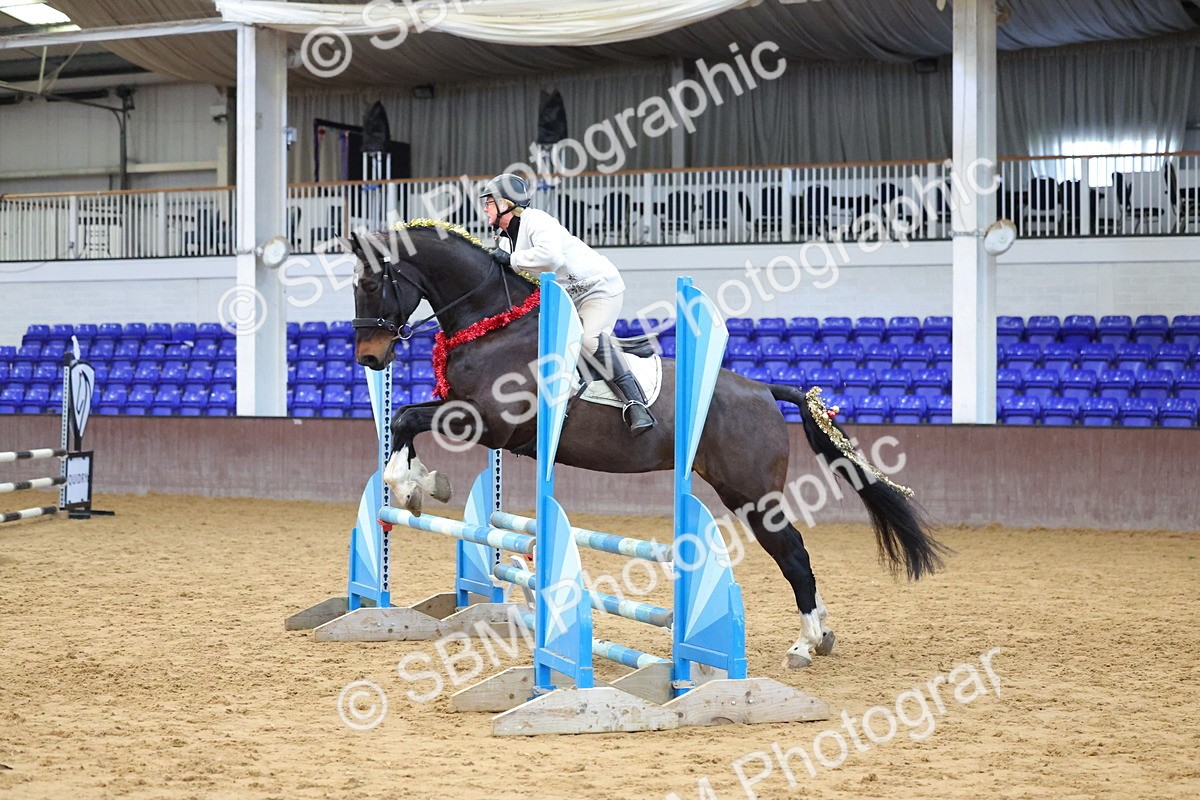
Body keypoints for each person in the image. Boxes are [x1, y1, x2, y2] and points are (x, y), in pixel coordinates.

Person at [479, 172, 655, 435]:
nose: (485, 207)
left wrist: (512, 259)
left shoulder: (537, 220)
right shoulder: (505, 240)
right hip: (567, 298)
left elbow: (551, 258)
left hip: (598, 289)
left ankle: (635, 404)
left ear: (506, 203)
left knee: (587, 340)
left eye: (489, 202)